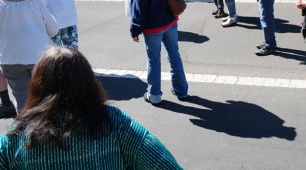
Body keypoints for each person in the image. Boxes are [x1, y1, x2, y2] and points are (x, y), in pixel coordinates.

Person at [0, 46, 184, 169]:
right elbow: (165, 165)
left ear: (36, 87)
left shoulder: (16, 137)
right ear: (89, 82)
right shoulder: (114, 123)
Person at [130, 0, 189, 104]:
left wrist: (135, 30)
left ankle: (154, 94)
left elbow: (138, 8)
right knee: (174, 55)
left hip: (153, 27)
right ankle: (181, 90)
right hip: (170, 21)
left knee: (154, 60)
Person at [0, 0, 58, 112]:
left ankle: (25, 130)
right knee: (44, 96)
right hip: (39, 57)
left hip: (10, 58)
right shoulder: (35, 2)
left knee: (21, 99)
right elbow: (54, 30)